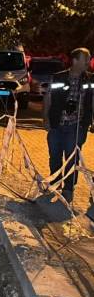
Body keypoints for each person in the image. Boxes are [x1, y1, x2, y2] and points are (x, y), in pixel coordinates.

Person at [44, 47, 94, 203]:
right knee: (55, 157)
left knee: (72, 160)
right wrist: (45, 119)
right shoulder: (58, 78)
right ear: (75, 60)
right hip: (56, 125)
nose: (88, 62)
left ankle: (68, 190)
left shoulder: (90, 80)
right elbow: (48, 99)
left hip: (76, 127)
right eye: (85, 59)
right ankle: (55, 184)